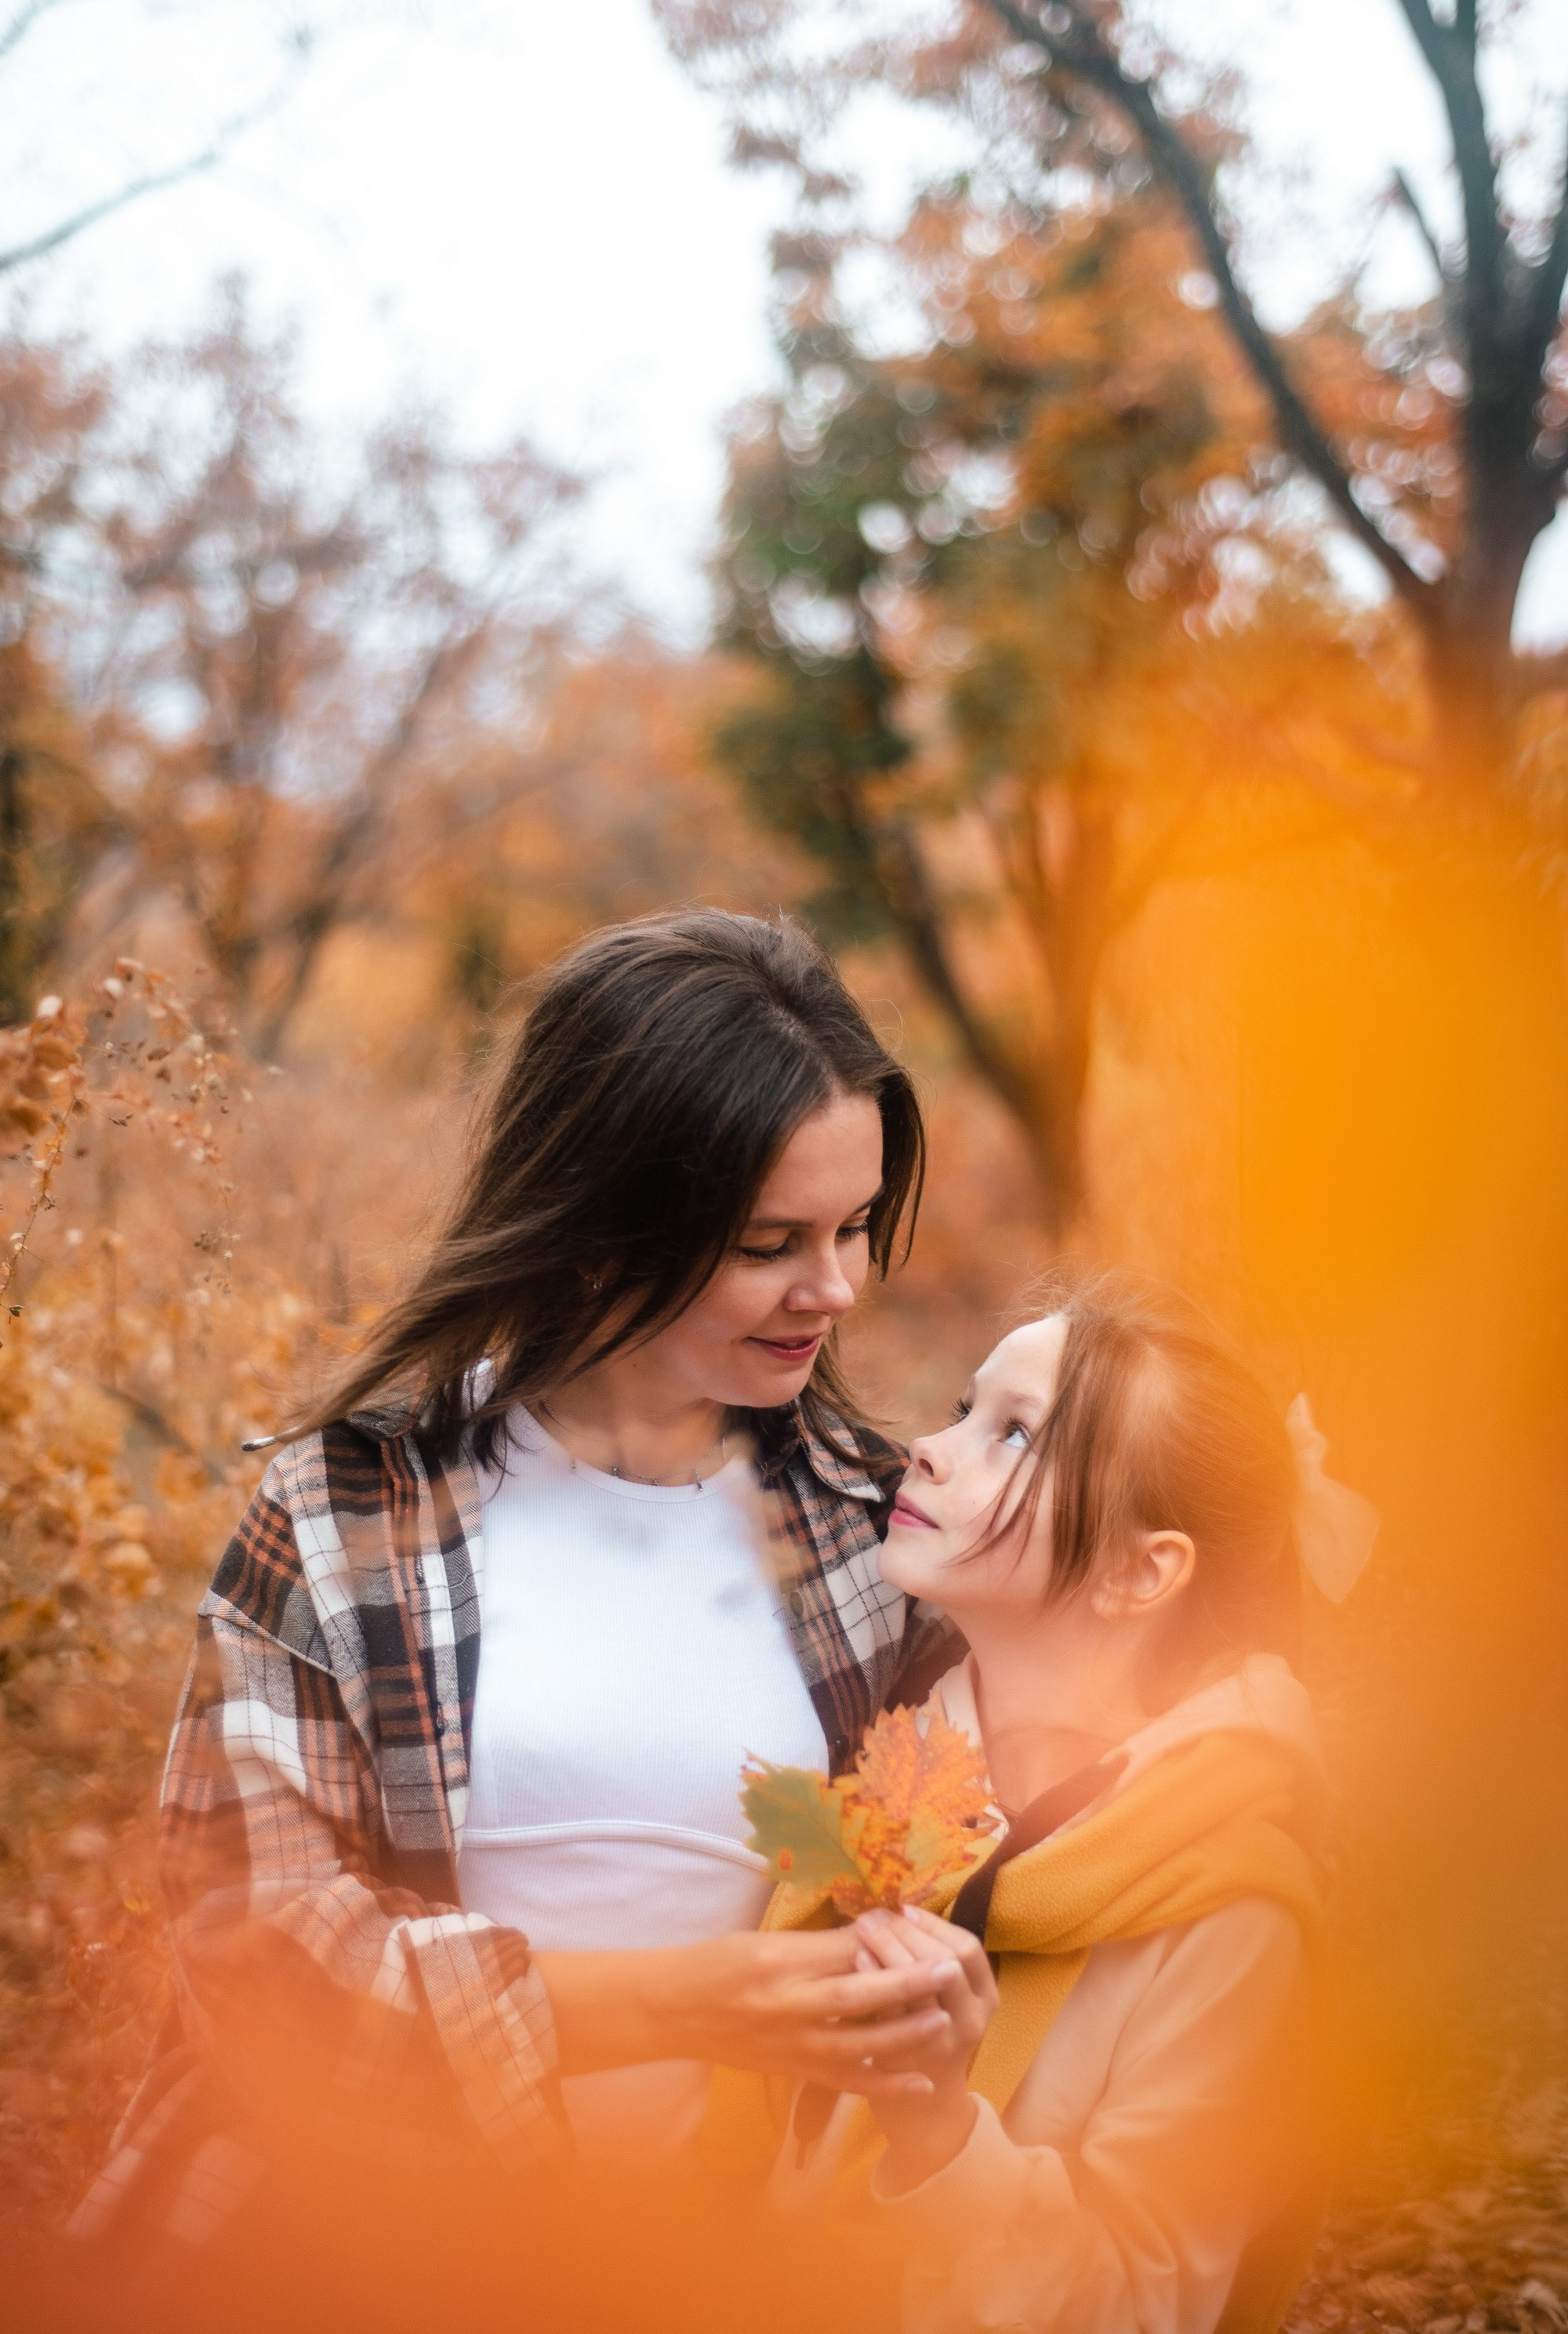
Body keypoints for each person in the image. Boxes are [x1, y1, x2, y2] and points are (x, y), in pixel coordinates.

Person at [75, 909, 958, 2247]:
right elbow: (256, 1957)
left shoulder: (873, 1523)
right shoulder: (344, 1510)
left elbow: (1021, 1814)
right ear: (601, 1229)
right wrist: (682, 2002)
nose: (833, 1289)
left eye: (852, 1227)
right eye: (772, 1243)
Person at [758, 1273, 1325, 2334]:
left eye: (1016, 1436)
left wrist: (938, 2133)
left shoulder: (1229, 1914)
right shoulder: (892, 1770)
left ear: (1140, 1571)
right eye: (966, 1408)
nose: (931, 1445)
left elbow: (1144, 2305)